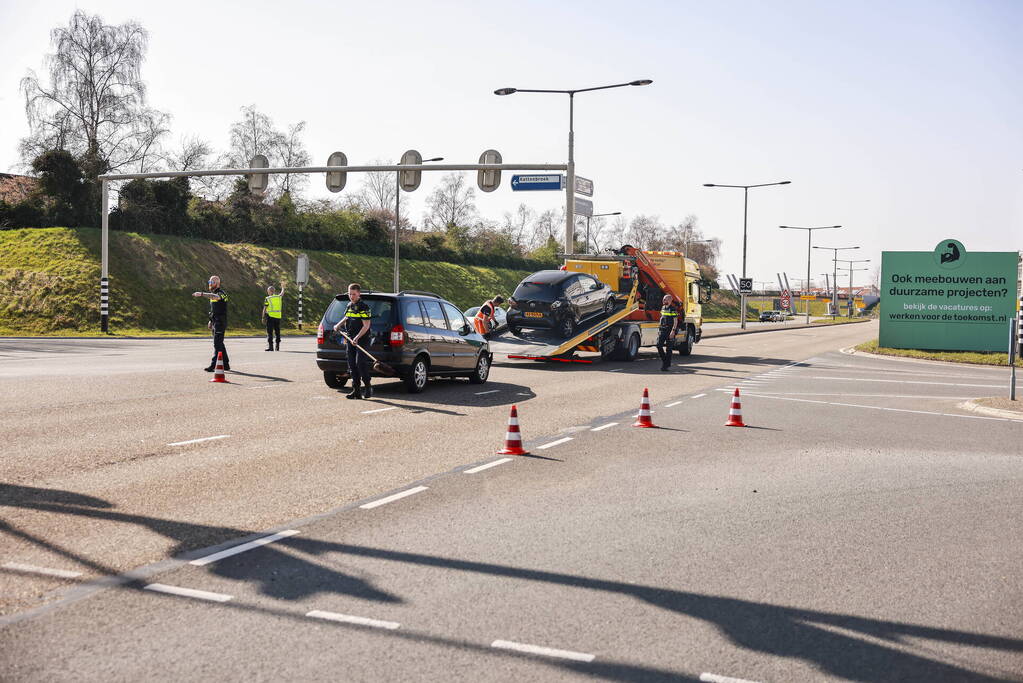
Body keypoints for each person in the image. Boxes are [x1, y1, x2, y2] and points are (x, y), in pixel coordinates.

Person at [332, 283, 373, 399]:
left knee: (360, 363)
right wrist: (338, 325)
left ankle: (368, 386)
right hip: (350, 338)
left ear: (359, 294)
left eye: (354, 294)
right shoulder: (349, 305)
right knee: (352, 365)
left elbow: (366, 326)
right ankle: (356, 390)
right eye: (350, 294)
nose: (351, 296)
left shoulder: (364, 307)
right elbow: (347, 317)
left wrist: (357, 338)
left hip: (362, 339)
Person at [192, 275, 230, 372]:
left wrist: (201, 294)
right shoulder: (212, 294)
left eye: (212, 282)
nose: (210, 284)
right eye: (209, 282)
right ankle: (226, 364)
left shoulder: (221, 293)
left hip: (220, 322)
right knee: (219, 343)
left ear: (217, 283)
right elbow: (214, 309)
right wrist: (211, 320)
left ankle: (213, 365)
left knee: (217, 344)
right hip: (215, 321)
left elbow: (216, 297)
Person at [655, 293, 680, 371]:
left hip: (670, 331)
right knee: (659, 345)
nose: (663, 300)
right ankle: (666, 362)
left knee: (668, 349)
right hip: (662, 330)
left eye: (665, 299)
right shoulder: (663, 308)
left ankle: (665, 365)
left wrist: (673, 331)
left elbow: (675, 321)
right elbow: (661, 319)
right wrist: (659, 329)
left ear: (669, 300)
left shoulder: (673, 309)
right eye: (663, 299)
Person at [262, 281, 286, 351]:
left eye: (268, 291)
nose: (267, 292)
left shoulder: (268, 298)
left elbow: (265, 308)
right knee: (277, 331)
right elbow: (282, 293)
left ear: (269, 291)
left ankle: (271, 347)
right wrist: (283, 288)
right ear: (274, 291)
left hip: (270, 317)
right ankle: (277, 346)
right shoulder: (278, 297)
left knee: (270, 332)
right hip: (278, 317)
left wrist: (263, 317)